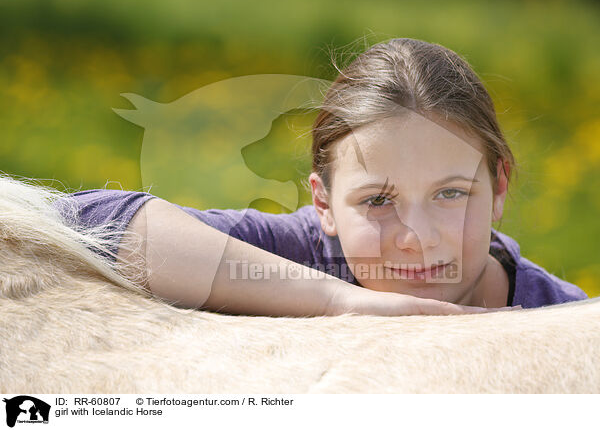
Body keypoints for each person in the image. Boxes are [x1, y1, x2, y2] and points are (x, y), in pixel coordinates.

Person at [53, 38, 587, 316]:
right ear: (325, 204)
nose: (418, 238)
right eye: (378, 200)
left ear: (498, 187)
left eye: (451, 193)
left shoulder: (561, 313)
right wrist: (340, 301)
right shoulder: (307, 256)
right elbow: (82, 221)